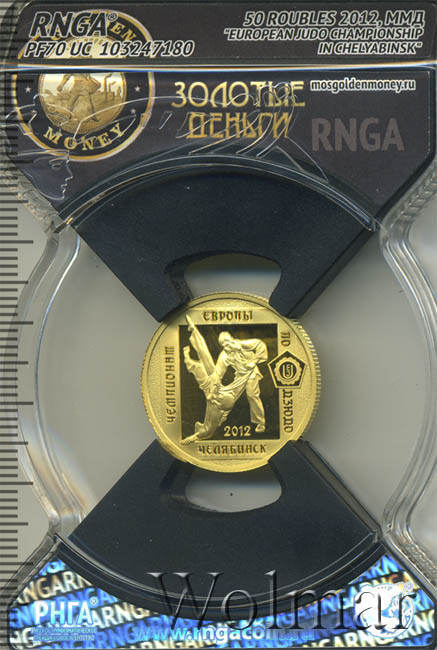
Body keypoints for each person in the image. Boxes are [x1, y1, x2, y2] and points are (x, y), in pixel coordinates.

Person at [216, 331, 267, 433]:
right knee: (230, 395)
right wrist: (215, 382)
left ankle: (260, 422)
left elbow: (260, 344)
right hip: (240, 376)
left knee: (252, 395)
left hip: (251, 373)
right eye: (223, 345)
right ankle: (222, 416)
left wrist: (254, 361)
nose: (226, 347)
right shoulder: (224, 355)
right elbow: (219, 371)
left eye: (227, 344)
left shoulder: (243, 344)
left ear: (231, 339)